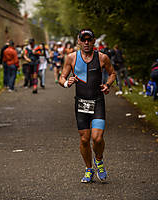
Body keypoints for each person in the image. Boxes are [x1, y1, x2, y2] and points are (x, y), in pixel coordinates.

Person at [59, 29, 116, 183]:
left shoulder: (102, 57)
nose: (86, 43)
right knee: (85, 140)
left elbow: (112, 73)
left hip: (97, 102)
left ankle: (99, 160)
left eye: (89, 40)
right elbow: (62, 77)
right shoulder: (71, 57)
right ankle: (89, 169)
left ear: (93, 41)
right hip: (81, 103)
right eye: (83, 40)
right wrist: (66, 83)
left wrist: (107, 84)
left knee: (97, 138)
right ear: (78, 41)